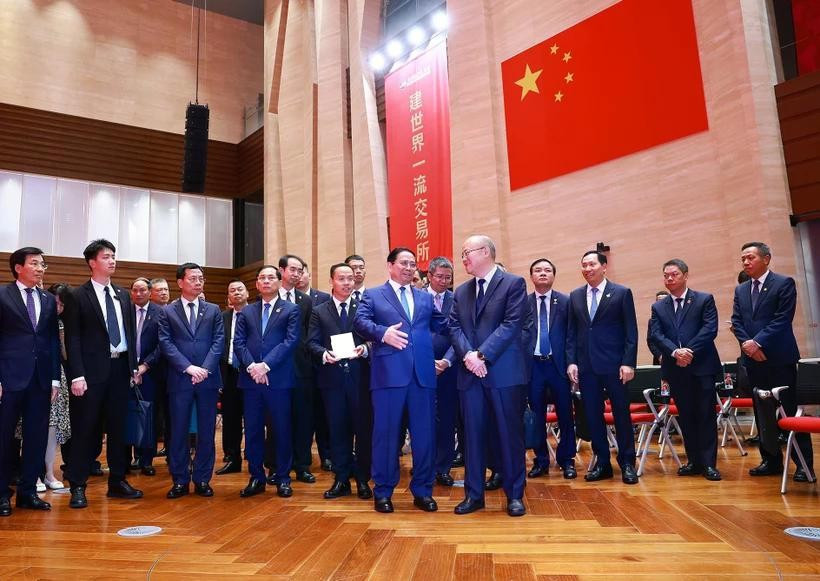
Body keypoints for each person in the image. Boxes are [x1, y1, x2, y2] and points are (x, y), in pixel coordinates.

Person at [353, 247, 446, 513]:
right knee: (386, 436)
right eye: (403, 263)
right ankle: (382, 491)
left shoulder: (425, 297)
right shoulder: (373, 295)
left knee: (425, 436)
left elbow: (444, 325)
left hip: (423, 377)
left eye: (413, 264)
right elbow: (360, 323)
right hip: (388, 377)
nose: (408, 268)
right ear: (390, 265)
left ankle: (423, 490)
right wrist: (382, 334)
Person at [449, 236, 530, 517]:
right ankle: (474, 494)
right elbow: (454, 327)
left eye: (466, 253)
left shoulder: (513, 284)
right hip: (470, 375)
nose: (463, 259)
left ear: (485, 252)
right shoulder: (460, 292)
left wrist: (481, 355)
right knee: (472, 436)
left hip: (503, 374)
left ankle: (515, 495)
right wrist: (469, 357)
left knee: (509, 435)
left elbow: (511, 325)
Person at [63, 239, 142, 508]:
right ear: (92, 262)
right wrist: (77, 375)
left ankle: (118, 481)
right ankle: (77, 484)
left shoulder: (122, 294)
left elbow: (130, 334)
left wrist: (133, 366)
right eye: (106, 256)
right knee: (86, 429)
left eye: (114, 256)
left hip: (120, 370)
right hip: (91, 373)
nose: (112, 260)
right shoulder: (77, 295)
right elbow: (72, 339)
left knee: (119, 429)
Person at [731, 242, 814, 480]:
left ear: (766, 259)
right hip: (754, 361)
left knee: (789, 410)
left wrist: (757, 342)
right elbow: (737, 321)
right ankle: (771, 460)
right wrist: (749, 345)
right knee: (763, 412)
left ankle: (803, 464)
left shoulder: (783, 283)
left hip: (779, 359)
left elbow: (782, 319)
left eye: (750, 258)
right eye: (743, 259)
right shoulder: (741, 290)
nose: (746, 262)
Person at [566, 250, 639, 485]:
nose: (587, 269)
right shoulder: (575, 296)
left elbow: (631, 332)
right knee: (592, 416)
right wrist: (572, 361)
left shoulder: (621, 293)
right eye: (584, 265)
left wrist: (628, 362)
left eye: (592, 264)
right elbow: (571, 334)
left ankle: (627, 463)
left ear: (604, 266)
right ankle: (603, 463)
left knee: (621, 415)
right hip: (587, 368)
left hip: (615, 366)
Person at [648, 259, 722, 481]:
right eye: (666, 275)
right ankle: (694, 461)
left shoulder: (703, 299)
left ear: (685, 275)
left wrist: (688, 351)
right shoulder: (659, 306)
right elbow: (656, 335)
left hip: (701, 367)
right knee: (686, 416)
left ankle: (709, 464)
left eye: (674, 274)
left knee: (705, 415)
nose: (669, 279)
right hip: (676, 369)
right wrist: (675, 353)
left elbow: (710, 329)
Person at [0, 248, 60, 516]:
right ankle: (2, 494)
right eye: (34, 264)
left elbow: (52, 341)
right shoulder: (2, 295)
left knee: (36, 437)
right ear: (17, 268)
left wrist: (56, 379)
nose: (40, 268)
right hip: (9, 378)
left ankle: (27, 493)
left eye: (42, 264)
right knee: (4, 438)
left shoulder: (47, 299)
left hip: (41, 379)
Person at [233, 266, 300, 498]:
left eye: (271, 277)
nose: (266, 281)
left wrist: (266, 365)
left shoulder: (291, 309)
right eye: (262, 278)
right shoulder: (246, 312)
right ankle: (256, 477)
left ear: (279, 282)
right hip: (251, 381)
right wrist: (252, 366)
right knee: (252, 431)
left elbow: (290, 342)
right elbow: (238, 343)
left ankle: (282, 477)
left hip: (278, 380)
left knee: (281, 429)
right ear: (256, 284)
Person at [158, 263, 224, 499]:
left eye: (201, 278)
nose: (198, 282)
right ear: (180, 282)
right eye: (193, 278)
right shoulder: (167, 312)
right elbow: (166, 344)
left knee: (207, 431)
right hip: (179, 378)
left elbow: (218, 342)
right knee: (178, 431)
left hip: (207, 379)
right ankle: (180, 479)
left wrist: (204, 369)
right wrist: (188, 368)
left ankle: (203, 479)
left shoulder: (214, 310)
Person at [307, 263, 372, 499]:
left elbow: (374, 338)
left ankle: (363, 480)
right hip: (332, 380)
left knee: (362, 432)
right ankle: (341, 479)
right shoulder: (319, 310)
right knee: (337, 431)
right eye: (342, 279)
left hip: (360, 380)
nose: (347, 283)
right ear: (331, 281)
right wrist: (324, 354)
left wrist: (364, 349)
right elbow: (311, 343)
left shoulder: (363, 308)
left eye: (350, 279)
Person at [525, 258, 577, 480]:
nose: (543, 273)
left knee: (565, 415)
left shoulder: (566, 302)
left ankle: (567, 460)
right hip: (533, 367)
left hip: (559, 367)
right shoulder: (522, 303)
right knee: (536, 417)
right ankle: (541, 461)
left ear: (554, 275)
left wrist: (572, 363)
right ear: (532, 277)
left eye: (547, 270)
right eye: (538, 270)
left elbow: (572, 337)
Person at [275, 254, 316, 484]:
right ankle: (276, 466)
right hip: (275, 368)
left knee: (303, 419)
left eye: (300, 270)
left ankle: (302, 465)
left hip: (301, 368)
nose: (297, 274)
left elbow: (308, 335)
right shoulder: (268, 299)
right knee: (277, 420)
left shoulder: (305, 300)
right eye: (292, 269)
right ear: (282, 270)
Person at [426, 257, 458, 486]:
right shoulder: (415, 298)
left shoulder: (457, 300)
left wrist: (446, 361)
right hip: (421, 369)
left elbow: (461, 334)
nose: (444, 282)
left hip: (449, 369)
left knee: (447, 420)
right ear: (429, 276)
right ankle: (424, 466)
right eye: (440, 277)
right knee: (422, 420)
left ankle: (443, 468)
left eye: (448, 278)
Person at [129, 277, 163, 476]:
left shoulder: (161, 313)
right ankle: (131, 457)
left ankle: (147, 459)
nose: (139, 293)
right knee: (129, 414)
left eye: (143, 290)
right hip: (126, 372)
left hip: (151, 373)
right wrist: (132, 368)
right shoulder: (125, 312)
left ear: (150, 292)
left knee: (148, 416)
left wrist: (145, 366)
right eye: (135, 290)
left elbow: (162, 345)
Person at [216, 280, 249, 475]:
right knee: (230, 418)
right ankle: (232, 458)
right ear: (228, 296)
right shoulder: (222, 317)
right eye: (232, 290)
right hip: (228, 373)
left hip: (251, 372)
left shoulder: (255, 313)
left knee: (254, 418)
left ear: (247, 293)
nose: (236, 293)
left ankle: (255, 457)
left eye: (240, 289)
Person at [42, 283, 72, 491]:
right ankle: (32, 473)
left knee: (53, 428)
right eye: (55, 303)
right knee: (30, 429)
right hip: (33, 376)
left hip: (57, 378)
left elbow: (65, 356)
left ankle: (48, 473)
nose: (58, 308)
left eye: (62, 304)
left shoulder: (64, 324)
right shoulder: (37, 320)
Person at [647, 290, 669, 365]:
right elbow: (651, 341)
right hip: (660, 359)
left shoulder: (678, 317)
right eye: (659, 301)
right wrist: (659, 355)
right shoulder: (652, 321)